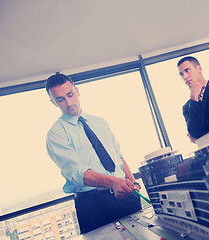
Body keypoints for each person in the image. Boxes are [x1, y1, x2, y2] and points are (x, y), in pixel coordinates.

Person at [45, 73, 141, 234]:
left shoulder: (100, 122)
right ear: (53, 102)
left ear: (77, 91)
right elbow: (78, 173)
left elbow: (118, 156)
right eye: (60, 99)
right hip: (93, 204)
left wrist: (133, 182)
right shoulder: (56, 134)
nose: (68, 103)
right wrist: (112, 182)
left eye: (70, 95)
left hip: (126, 194)